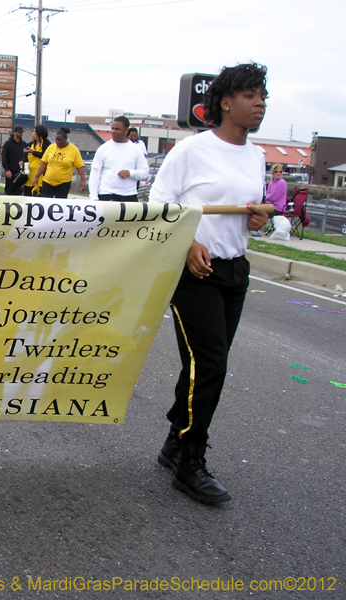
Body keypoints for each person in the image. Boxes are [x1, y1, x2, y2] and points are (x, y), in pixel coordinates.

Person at [149, 62, 270, 505]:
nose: (260, 103)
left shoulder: (256, 155)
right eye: (251, 95)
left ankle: (173, 443)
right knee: (212, 365)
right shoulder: (191, 151)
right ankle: (190, 462)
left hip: (235, 271)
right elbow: (160, 205)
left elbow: (245, 213)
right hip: (194, 272)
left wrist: (255, 219)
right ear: (225, 102)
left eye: (263, 95)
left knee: (201, 366)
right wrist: (187, 245)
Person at [89, 116, 149, 201]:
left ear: (126, 130)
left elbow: (145, 173)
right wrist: (94, 197)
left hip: (129, 195)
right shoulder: (103, 148)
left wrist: (130, 173)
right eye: (112, 128)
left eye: (117, 129)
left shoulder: (136, 150)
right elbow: (95, 174)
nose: (114, 131)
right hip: (106, 194)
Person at [31, 127, 87, 199]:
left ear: (66, 139)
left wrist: (83, 181)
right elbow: (43, 163)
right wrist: (36, 177)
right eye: (56, 140)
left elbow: (79, 166)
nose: (57, 142)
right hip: (48, 181)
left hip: (63, 183)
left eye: (60, 140)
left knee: (60, 204)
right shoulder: (51, 147)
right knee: (46, 203)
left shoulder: (74, 150)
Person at [23, 125, 51, 197]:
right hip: (29, 176)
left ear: (39, 133)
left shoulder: (46, 144)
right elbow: (26, 158)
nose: (32, 133)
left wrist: (33, 152)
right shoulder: (30, 144)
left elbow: (45, 156)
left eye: (34, 132)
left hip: (40, 178)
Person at [1, 125, 27, 196]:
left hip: (20, 173)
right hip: (10, 172)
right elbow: (4, 158)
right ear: (15, 133)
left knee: (18, 192)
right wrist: (7, 170)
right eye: (19, 132)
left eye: (22, 132)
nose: (21, 134)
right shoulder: (8, 144)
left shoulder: (24, 144)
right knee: (8, 192)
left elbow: (26, 157)